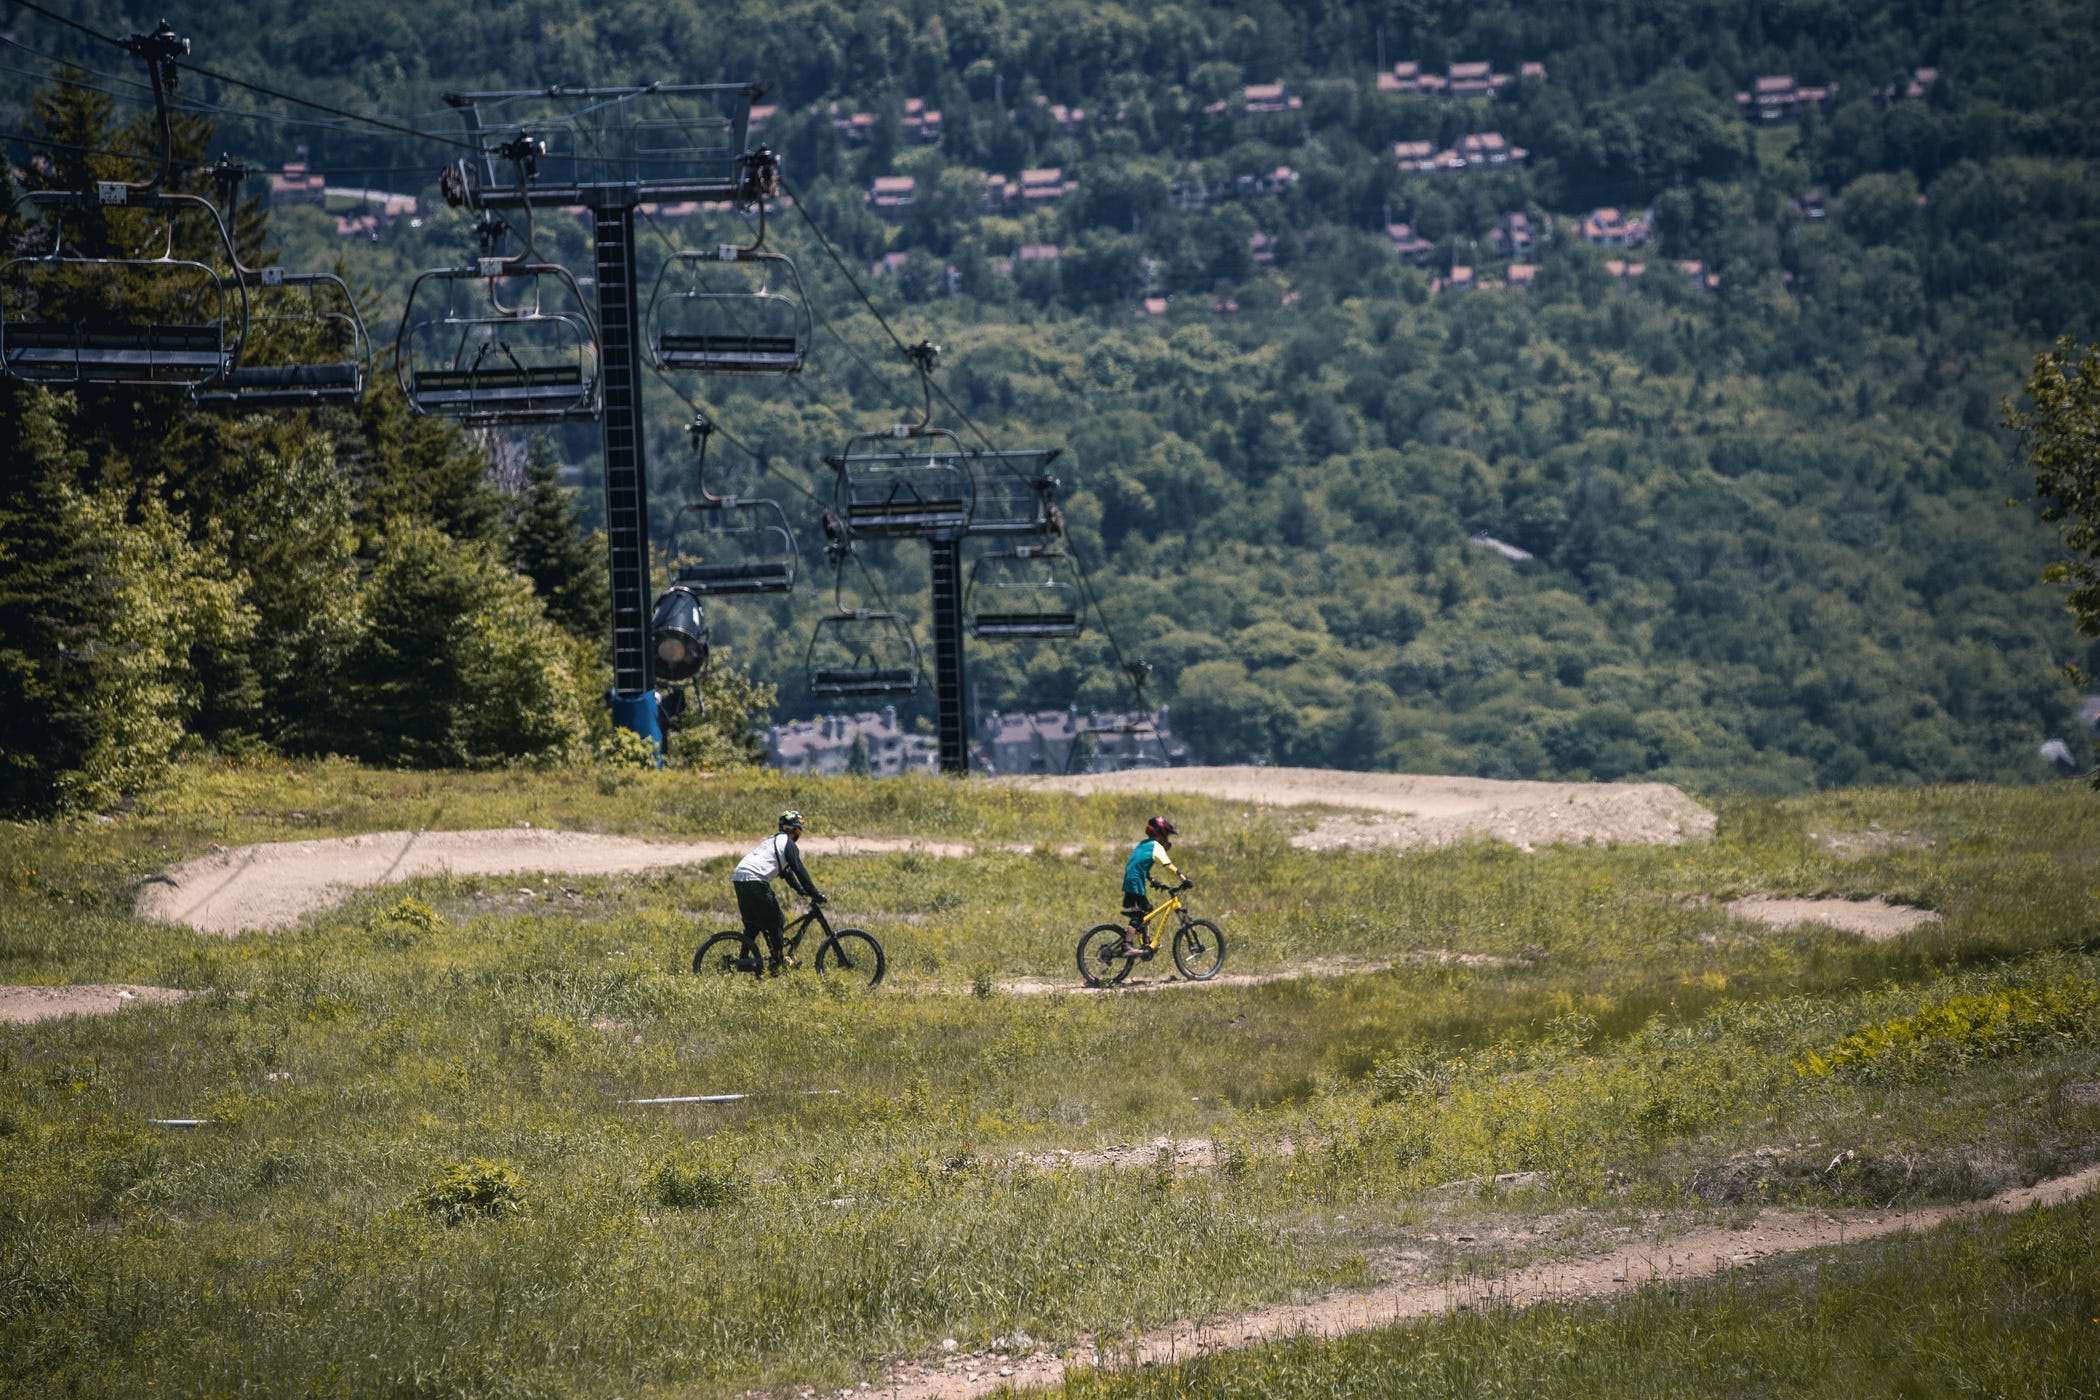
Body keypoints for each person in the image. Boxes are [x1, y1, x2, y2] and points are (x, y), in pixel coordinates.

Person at [732, 810, 825, 971]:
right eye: (797, 830)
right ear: (791, 830)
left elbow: (787, 873)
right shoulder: (788, 844)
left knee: (753, 924)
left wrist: (801, 891)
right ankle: (778, 961)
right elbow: (799, 871)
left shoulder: (772, 841)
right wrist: (814, 893)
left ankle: (744, 960)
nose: (799, 834)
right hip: (755, 879)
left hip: (739, 877)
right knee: (777, 921)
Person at [1121, 815, 1189, 955]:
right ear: (1161, 833)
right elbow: (1168, 865)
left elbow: (1137, 864)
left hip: (1131, 879)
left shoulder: (1143, 844)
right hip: (1135, 882)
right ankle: (1127, 945)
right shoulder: (1156, 847)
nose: (1167, 840)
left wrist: (1152, 880)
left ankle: (1146, 945)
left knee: (1147, 911)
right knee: (1140, 916)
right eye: (1167, 835)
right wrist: (1184, 879)